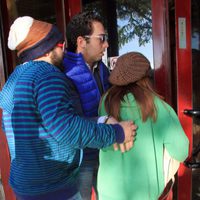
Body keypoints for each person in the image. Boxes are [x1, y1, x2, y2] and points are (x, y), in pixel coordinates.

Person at [0, 16, 136, 200]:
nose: (64, 48)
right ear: (47, 49)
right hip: (52, 185)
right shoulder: (48, 75)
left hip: (26, 184)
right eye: (60, 44)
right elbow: (66, 129)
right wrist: (117, 133)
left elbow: (13, 126)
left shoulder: (14, 79)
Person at [97, 52, 189, 200]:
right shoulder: (159, 107)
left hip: (108, 192)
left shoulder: (105, 103)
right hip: (146, 194)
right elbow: (181, 151)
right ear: (146, 77)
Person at [63, 11, 110, 199]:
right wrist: (109, 122)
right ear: (81, 41)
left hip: (105, 153)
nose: (106, 44)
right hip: (80, 161)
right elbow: (71, 123)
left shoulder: (102, 69)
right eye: (101, 38)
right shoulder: (65, 73)